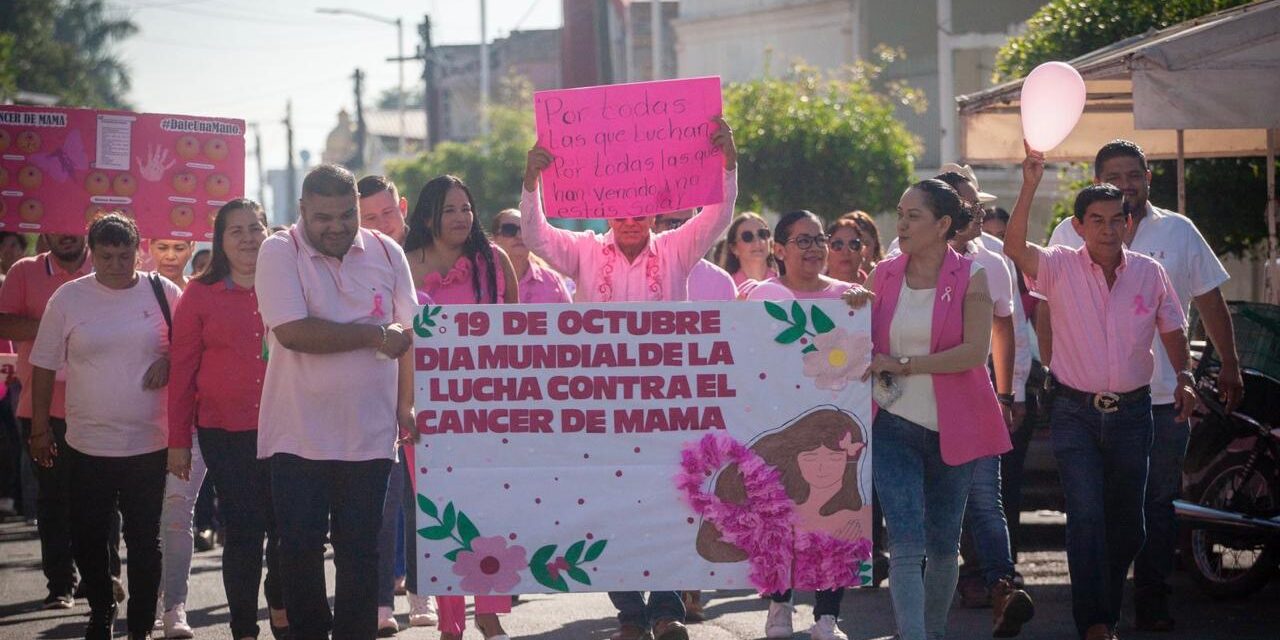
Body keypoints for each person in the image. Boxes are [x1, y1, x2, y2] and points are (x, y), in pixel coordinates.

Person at [521, 116, 738, 640]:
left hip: (668, 403)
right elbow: (536, 234)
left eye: (641, 210)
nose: (631, 220)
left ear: (657, 211)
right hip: (600, 405)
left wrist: (728, 162)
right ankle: (629, 614)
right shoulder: (584, 251)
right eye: (620, 211)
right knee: (608, 504)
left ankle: (665, 610)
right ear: (605, 211)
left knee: (667, 502)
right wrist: (531, 182)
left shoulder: (677, 248)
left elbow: (718, 216)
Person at [1045, 139, 1241, 632]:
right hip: (1086, 402)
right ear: (1096, 181)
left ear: (1148, 177)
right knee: (1091, 514)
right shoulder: (1068, 234)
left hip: (1162, 400)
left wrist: (1227, 367)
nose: (1127, 184)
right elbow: (1044, 305)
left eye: (1135, 174)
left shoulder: (1178, 232)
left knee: (1151, 508)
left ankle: (1152, 599)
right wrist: (1055, 364)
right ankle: (1099, 616)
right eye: (1116, 174)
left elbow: (1208, 301)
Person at [1004, 143, 1194, 640]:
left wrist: (1188, 378)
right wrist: (1029, 185)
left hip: (1135, 414)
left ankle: (1102, 610)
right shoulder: (1059, 265)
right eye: (1097, 220)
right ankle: (1095, 621)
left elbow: (1173, 329)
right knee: (1086, 515)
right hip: (1074, 412)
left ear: (1128, 224)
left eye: (1117, 220)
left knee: (1131, 526)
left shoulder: (1150, 273)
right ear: (1080, 225)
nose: (1108, 229)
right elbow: (1014, 247)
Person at [254, 164, 418, 639]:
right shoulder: (279, 250)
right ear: (303, 210)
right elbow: (293, 332)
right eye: (323, 217)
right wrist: (372, 335)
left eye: (347, 215)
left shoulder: (386, 252)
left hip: (369, 437)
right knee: (299, 550)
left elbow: (411, 332)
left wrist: (405, 405)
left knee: (361, 554)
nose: (337, 227)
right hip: (296, 435)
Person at [843, 179, 1011, 640]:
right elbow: (856, 340)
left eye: (913, 215)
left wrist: (904, 365)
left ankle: (931, 633)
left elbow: (974, 354)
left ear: (942, 225)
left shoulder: (973, 275)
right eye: (899, 213)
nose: (901, 223)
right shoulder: (882, 273)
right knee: (906, 544)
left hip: (954, 431)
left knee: (942, 547)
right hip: (892, 426)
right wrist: (853, 306)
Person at [29, 213, 182, 640]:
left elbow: (190, 347)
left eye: (125, 255)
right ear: (91, 254)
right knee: (88, 536)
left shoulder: (163, 291)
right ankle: (100, 609)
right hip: (85, 442)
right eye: (106, 256)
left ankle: (140, 625)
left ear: (139, 250)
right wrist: (39, 429)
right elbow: (42, 365)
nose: (116, 265)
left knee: (145, 539)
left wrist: (169, 361)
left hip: (149, 442)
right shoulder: (69, 298)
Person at [167, 199, 289, 640]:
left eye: (255, 228)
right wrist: (178, 440)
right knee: (243, 530)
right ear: (220, 240)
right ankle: (243, 628)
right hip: (224, 431)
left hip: (287, 425)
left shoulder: (289, 283)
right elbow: (181, 371)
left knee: (287, 529)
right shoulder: (200, 293)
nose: (248, 238)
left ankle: (280, 604)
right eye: (236, 230)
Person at [406, 175, 518, 640]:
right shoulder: (404, 264)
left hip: (487, 408)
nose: (460, 218)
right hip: (426, 411)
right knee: (439, 515)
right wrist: (403, 407)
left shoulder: (495, 260)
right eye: (450, 209)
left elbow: (521, 331)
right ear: (428, 216)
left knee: (488, 510)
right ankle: (450, 622)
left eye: (466, 208)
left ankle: (489, 615)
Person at [743, 209, 856, 640]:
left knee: (833, 514)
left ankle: (828, 616)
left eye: (819, 239)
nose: (814, 248)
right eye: (803, 240)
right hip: (776, 427)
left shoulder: (851, 297)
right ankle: (779, 606)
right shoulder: (761, 295)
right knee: (778, 518)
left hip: (833, 426)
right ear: (780, 249)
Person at [930, 170, 1033, 635]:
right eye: (961, 204)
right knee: (932, 508)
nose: (972, 213)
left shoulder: (994, 259)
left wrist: (1009, 394)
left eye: (975, 204)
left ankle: (1001, 589)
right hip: (920, 402)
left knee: (986, 504)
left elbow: (1006, 329)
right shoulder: (903, 258)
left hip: (976, 396)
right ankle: (927, 605)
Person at [0, 231, 109, 609]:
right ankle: (60, 582)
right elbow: (4, 325)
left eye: (71, 224)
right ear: (43, 229)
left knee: (103, 499)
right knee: (52, 499)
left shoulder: (107, 263)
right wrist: (57, 325)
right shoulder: (23, 271)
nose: (65, 234)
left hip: (102, 404)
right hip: (41, 406)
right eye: (56, 225)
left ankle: (104, 577)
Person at [360, 174, 440, 636]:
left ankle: (421, 593)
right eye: (369, 216)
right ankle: (379, 602)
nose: (381, 223)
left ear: (403, 206)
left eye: (387, 212)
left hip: (431, 398)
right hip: (374, 396)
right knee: (381, 502)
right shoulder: (355, 260)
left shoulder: (428, 257)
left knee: (420, 500)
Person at [491, 208, 572, 304]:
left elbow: (569, 317)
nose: (520, 236)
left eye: (526, 230)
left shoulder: (553, 281)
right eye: (509, 229)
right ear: (495, 239)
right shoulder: (482, 279)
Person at [653, 209, 737, 302]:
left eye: (691, 223)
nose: (684, 231)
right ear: (654, 226)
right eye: (674, 223)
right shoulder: (636, 276)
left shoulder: (720, 281)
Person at [720, 212, 777, 292]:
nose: (757, 242)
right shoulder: (724, 288)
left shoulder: (786, 283)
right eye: (747, 236)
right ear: (734, 248)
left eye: (762, 234)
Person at [359, 174, 409, 245]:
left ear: (402, 208)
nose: (382, 225)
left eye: (387, 212)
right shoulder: (350, 255)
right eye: (371, 218)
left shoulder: (428, 250)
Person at [824, 217, 868, 285]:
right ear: (826, 250)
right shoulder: (809, 288)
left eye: (853, 244)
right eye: (837, 245)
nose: (846, 252)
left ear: (863, 251)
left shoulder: (877, 287)